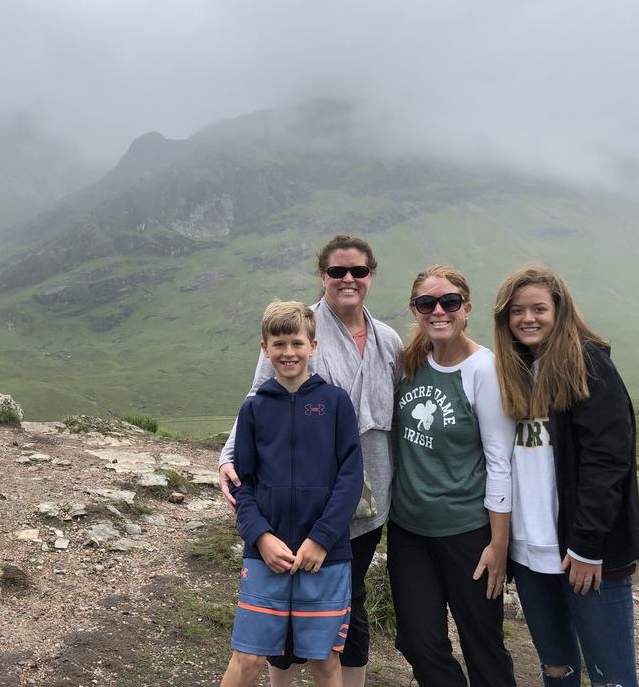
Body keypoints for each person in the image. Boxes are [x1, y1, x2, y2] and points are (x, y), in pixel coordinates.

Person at [219, 233, 402, 687]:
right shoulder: (300, 327)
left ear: (370, 276)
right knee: (281, 612)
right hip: (285, 509)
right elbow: (257, 402)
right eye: (337, 271)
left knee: (348, 603)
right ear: (323, 276)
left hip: (360, 503)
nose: (348, 279)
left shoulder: (389, 340)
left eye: (358, 271)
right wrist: (229, 456)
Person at [492, 264, 639, 687]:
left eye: (539, 308)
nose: (528, 318)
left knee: (611, 677)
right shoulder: (517, 371)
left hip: (583, 554)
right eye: (517, 310)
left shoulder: (587, 363)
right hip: (529, 555)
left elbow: (608, 461)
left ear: (559, 311)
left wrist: (586, 546)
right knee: (556, 669)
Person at [220, 301, 364, 687]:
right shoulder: (252, 409)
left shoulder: (336, 403)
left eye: (297, 343)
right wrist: (261, 537)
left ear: (312, 346)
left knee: (324, 660)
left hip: (327, 556)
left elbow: (350, 478)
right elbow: (243, 484)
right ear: (264, 349)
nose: (288, 352)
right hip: (266, 553)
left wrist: (321, 539)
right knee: (247, 657)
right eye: (279, 344)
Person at [388, 265, 517, 687]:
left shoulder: (484, 370)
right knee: (417, 641)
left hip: (468, 532)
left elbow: (500, 461)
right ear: (415, 309)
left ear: (467, 309)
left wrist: (498, 544)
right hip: (409, 531)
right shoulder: (409, 362)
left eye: (449, 302)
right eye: (428, 303)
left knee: (482, 643)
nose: (438, 310)